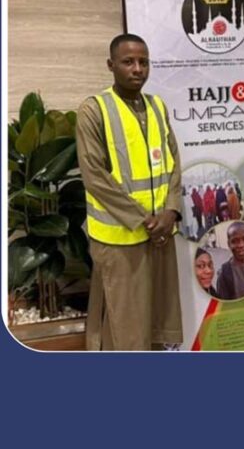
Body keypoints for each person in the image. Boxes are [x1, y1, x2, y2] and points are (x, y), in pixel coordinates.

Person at [76, 33, 184, 350]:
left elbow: (173, 162)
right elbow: (94, 176)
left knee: (157, 318)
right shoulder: (94, 110)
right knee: (126, 324)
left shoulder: (157, 106)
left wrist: (171, 210)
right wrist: (144, 220)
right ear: (111, 65)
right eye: (128, 62)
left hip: (160, 234)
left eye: (143, 62)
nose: (138, 69)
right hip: (120, 240)